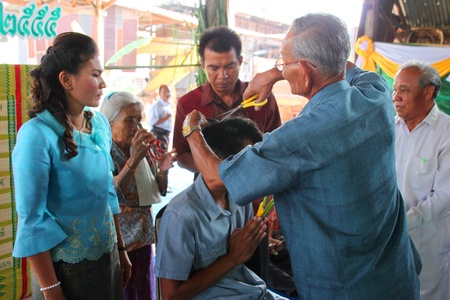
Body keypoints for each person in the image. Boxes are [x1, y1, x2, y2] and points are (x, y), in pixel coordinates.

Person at [182, 13, 422, 299]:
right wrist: (275, 74)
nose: (281, 69)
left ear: (306, 71)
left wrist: (192, 129)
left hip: (343, 289)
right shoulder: (376, 94)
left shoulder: (297, 138)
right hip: (397, 276)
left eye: (284, 63)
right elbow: (341, 63)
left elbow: (216, 177)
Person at [11, 32, 131, 300]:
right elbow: (32, 218)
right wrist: (52, 290)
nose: (103, 83)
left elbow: (107, 194)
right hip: (64, 271)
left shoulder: (98, 124)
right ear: (66, 80)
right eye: (95, 74)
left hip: (107, 255)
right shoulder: (36, 135)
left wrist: (121, 250)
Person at [155, 117, 287, 300]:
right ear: (215, 159)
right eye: (243, 161)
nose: (253, 169)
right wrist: (233, 258)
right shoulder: (181, 215)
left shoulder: (241, 199)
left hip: (251, 291)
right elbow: (171, 295)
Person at [173, 25, 282, 174]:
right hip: (209, 191)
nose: (222, 75)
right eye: (214, 68)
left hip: (258, 186)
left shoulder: (262, 98)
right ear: (203, 65)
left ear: (240, 61)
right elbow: (182, 155)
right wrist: (217, 173)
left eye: (229, 66)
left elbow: (276, 146)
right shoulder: (187, 104)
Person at [100, 91, 177, 300]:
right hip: (120, 244)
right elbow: (109, 195)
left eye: (139, 120)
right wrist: (133, 159)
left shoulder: (141, 149)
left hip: (143, 239)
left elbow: (158, 190)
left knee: (143, 290)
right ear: (109, 122)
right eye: (129, 120)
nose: (136, 126)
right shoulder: (103, 152)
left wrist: (163, 169)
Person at [393, 60, 450, 300]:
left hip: (427, 241)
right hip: (388, 238)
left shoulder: (446, 132)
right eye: (394, 90)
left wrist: (404, 222)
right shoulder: (390, 125)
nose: (396, 97)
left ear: (428, 92)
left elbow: (444, 195)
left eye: (404, 90)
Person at [148, 84, 173, 150]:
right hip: (158, 134)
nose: (167, 94)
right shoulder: (156, 106)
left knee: (165, 155)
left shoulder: (168, 105)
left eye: (169, 92)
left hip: (166, 134)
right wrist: (165, 118)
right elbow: (152, 121)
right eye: (164, 92)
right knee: (160, 156)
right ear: (159, 93)